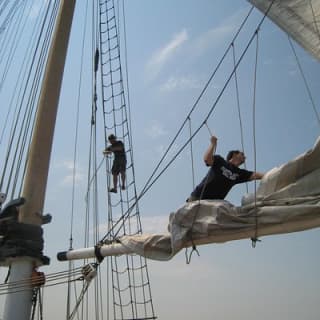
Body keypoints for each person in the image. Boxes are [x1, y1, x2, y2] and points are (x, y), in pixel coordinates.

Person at [187, 135, 264, 201]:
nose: (245, 157)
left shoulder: (240, 173)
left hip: (213, 204)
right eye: (242, 154)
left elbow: (255, 175)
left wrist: (272, 173)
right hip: (197, 197)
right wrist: (213, 144)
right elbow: (207, 159)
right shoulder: (220, 160)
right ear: (234, 154)